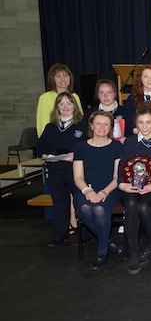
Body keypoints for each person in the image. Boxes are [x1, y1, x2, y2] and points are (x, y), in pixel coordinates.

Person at [118, 103, 151, 274]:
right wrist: (122, 184)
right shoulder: (130, 142)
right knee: (132, 205)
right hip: (130, 185)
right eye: (141, 122)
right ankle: (133, 253)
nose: (145, 126)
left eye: (148, 122)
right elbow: (123, 166)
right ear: (136, 124)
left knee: (143, 206)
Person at [73, 111, 123, 270]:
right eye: (98, 123)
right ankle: (108, 242)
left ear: (110, 128)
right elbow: (78, 177)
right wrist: (88, 191)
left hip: (110, 189)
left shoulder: (117, 146)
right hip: (86, 188)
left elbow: (117, 177)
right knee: (85, 208)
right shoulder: (80, 147)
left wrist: (105, 192)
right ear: (91, 126)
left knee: (100, 209)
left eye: (106, 124)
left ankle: (102, 253)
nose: (102, 127)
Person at [37, 92, 86, 247]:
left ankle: (85, 234)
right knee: (59, 202)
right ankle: (60, 234)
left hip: (74, 169)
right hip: (55, 169)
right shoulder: (50, 127)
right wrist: (45, 155)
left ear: (74, 106)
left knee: (80, 200)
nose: (65, 107)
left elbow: (87, 145)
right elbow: (40, 147)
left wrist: (75, 154)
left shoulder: (82, 125)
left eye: (69, 103)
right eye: (61, 104)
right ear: (57, 106)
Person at [36, 63, 83, 137]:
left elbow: (80, 119)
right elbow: (42, 124)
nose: (63, 79)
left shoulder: (75, 96)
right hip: (54, 138)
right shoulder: (45, 98)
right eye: (58, 76)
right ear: (52, 79)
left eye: (65, 75)